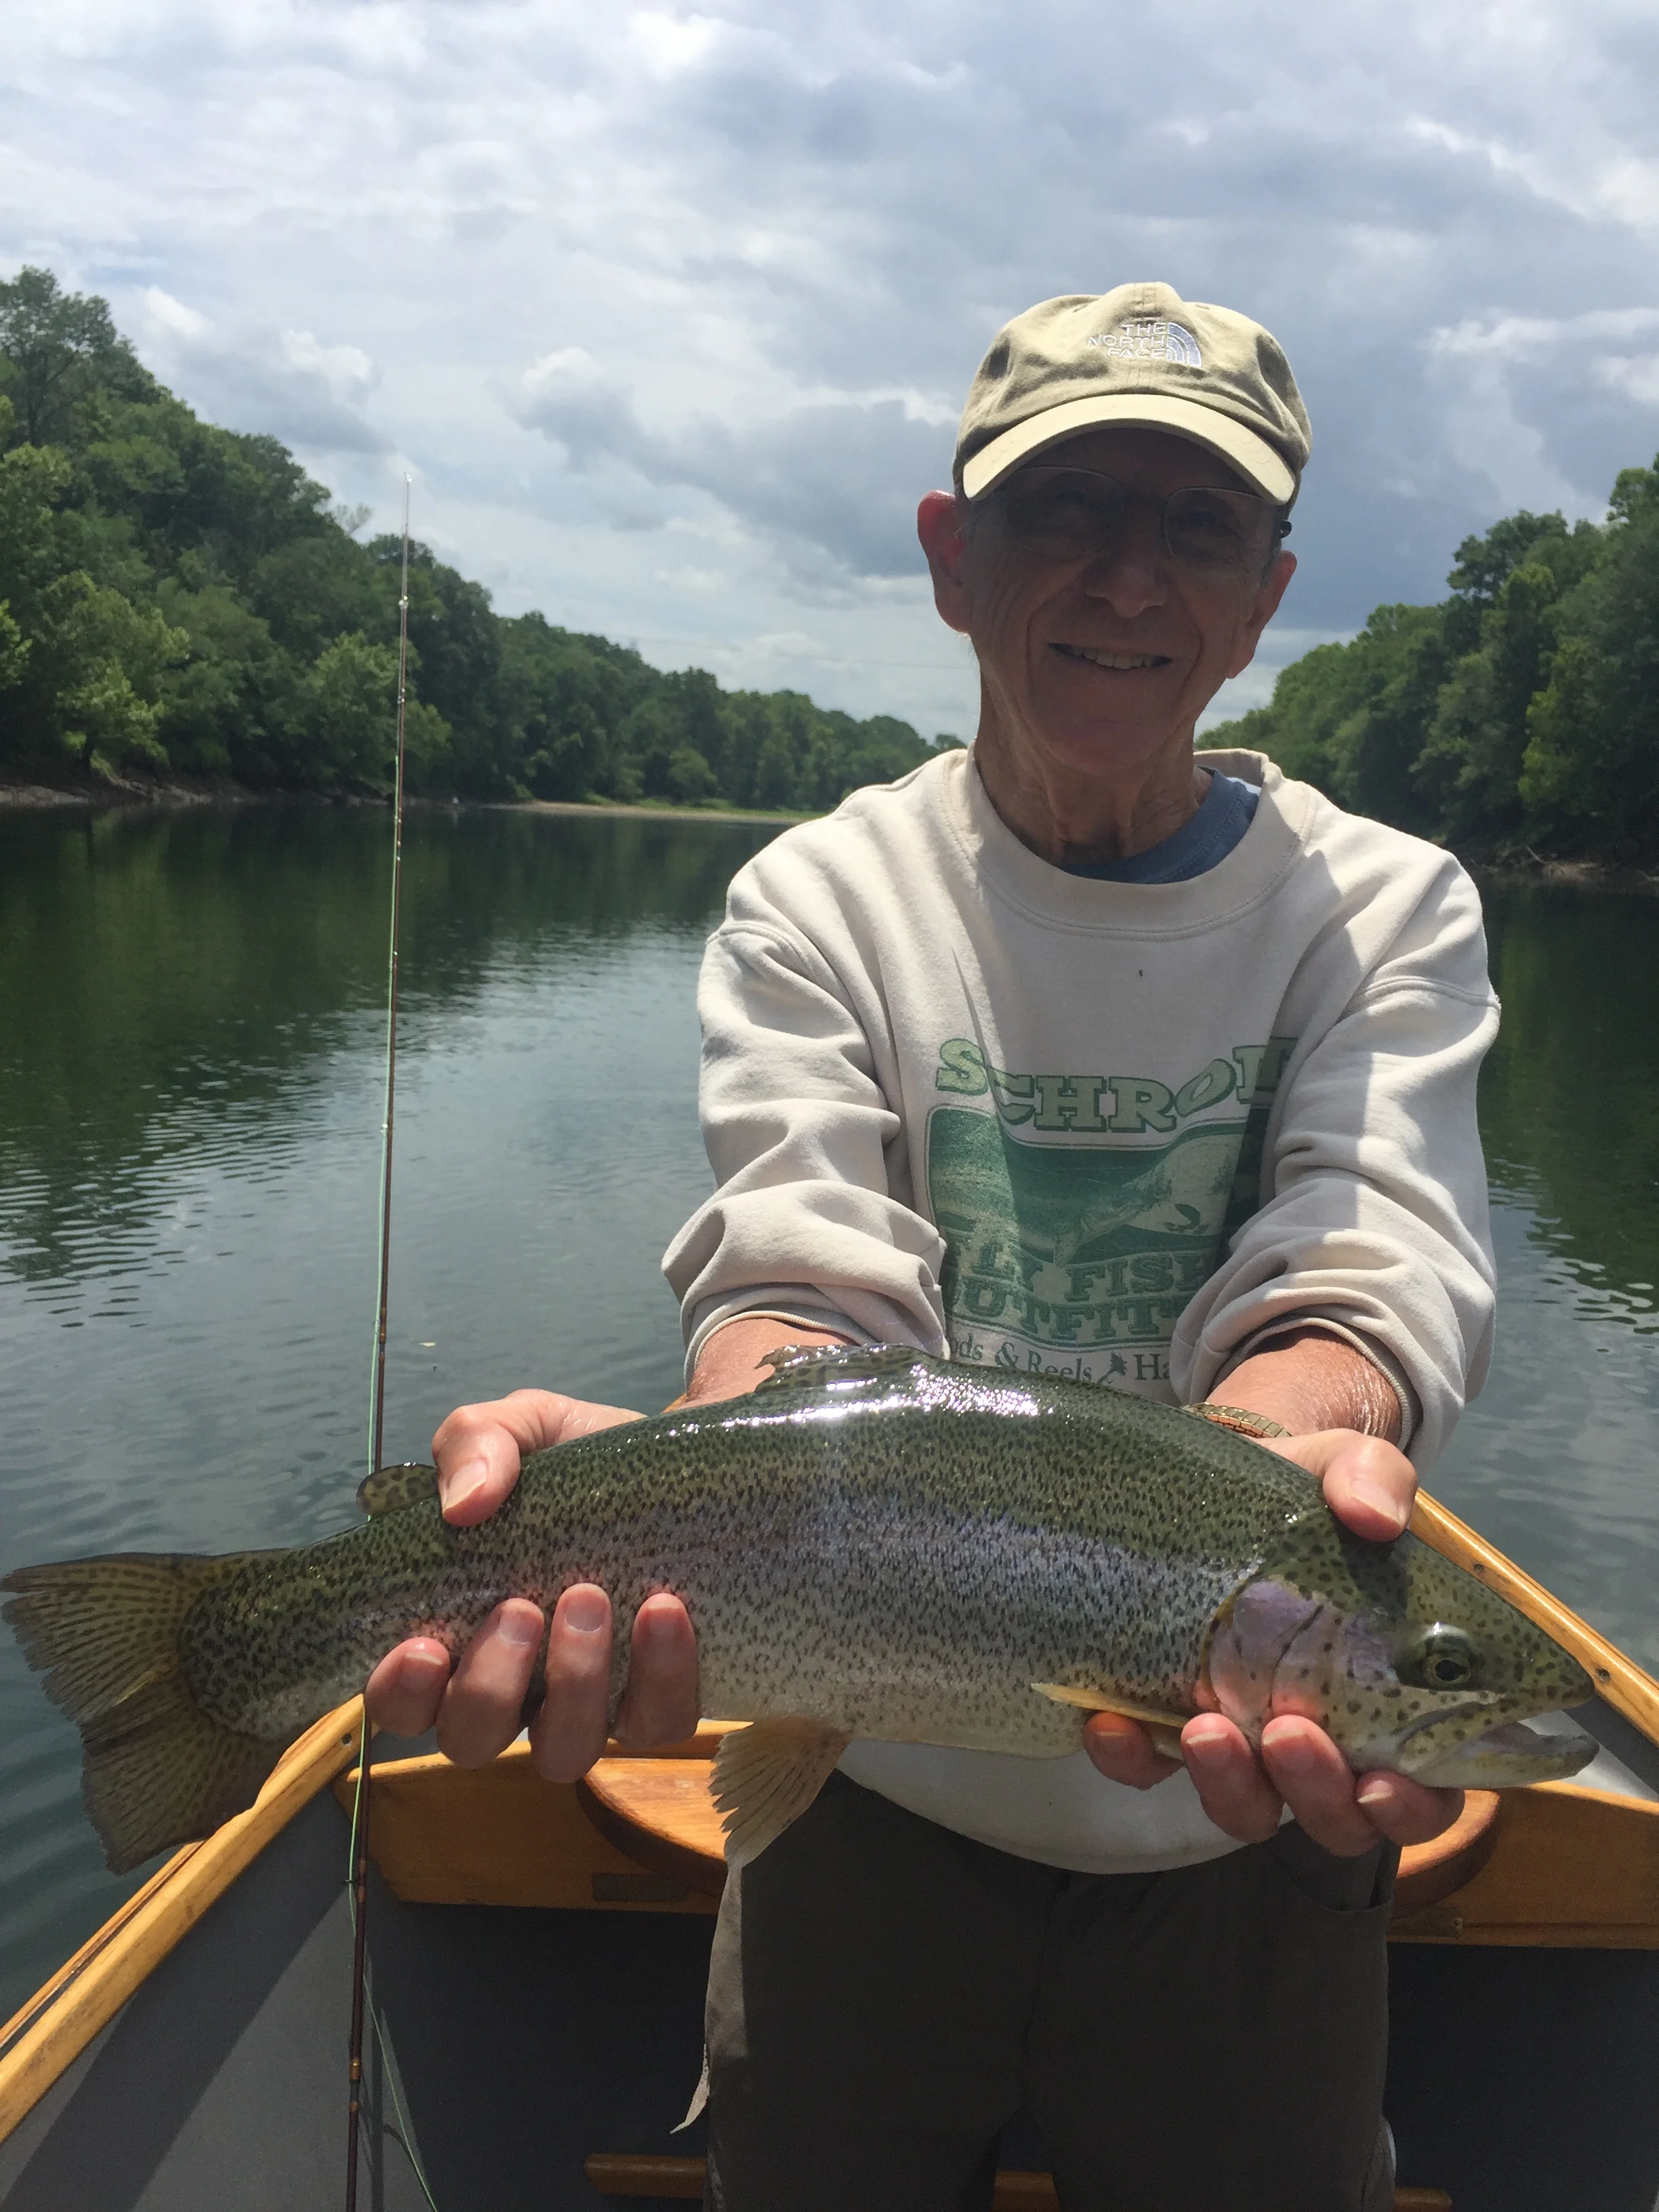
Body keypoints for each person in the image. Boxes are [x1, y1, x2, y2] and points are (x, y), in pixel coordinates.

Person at [366, 281, 1498, 2211]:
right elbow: (797, 1284)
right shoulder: (819, 896)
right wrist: (654, 1499)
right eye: (1070, 509)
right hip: (856, 1807)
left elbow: (1359, 1255)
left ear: (1270, 589)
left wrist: (1299, 1449)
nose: (1132, 579)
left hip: (1255, 1843)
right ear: (952, 557)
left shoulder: (1386, 908)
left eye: (1198, 526)